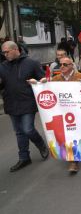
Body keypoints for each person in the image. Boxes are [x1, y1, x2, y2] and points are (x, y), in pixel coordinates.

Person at [0, 41, 49, 172]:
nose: (5, 55)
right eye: (3, 52)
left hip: (27, 101)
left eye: (7, 52)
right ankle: (24, 158)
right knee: (19, 132)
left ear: (15, 49)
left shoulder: (32, 63)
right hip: (11, 102)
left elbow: (44, 80)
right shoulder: (3, 66)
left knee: (27, 129)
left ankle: (41, 145)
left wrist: (39, 81)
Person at [40, 57, 81, 172]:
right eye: (60, 64)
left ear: (72, 65)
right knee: (68, 134)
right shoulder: (56, 78)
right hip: (63, 113)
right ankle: (73, 159)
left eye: (65, 65)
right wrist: (39, 84)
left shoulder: (80, 77)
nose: (61, 66)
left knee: (76, 134)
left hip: (78, 112)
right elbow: (48, 89)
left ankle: (74, 160)